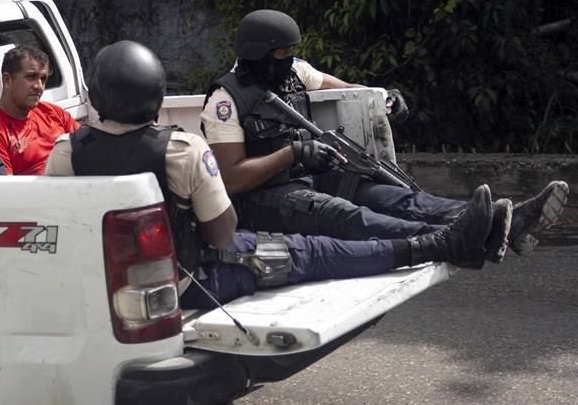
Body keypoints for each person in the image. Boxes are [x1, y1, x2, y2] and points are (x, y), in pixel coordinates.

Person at [46, 40, 503, 309]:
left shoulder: (67, 152)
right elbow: (224, 233)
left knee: (376, 198)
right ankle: (439, 244)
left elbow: (58, 226)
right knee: (316, 251)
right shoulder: (183, 147)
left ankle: (476, 229)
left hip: (106, 283)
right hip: (193, 276)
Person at [201, 9, 568, 259]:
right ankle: (466, 237)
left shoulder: (295, 72)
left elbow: (348, 91)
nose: (288, 58)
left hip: (309, 176)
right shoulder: (226, 99)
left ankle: (506, 220)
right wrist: (292, 154)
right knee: (347, 215)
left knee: (392, 196)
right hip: (263, 200)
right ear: (258, 54)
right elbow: (231, 178)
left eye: (289, 52)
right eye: (281, 53)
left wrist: (383, 99)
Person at [0, 46, 79, 174]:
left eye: (43, 79)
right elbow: (7, 189)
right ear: (7, 80)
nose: (39, 86)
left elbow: (88, 149)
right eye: (31, 77)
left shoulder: (54, 112)